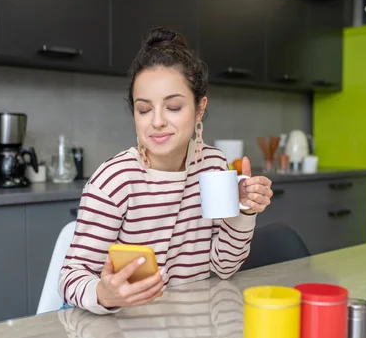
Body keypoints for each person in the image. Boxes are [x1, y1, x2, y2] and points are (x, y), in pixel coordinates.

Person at [59, 27, 273, 315]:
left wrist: (245, 211)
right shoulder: (115, 181)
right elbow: (70, 277)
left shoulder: (212, 167)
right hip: (128, 337)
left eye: (173, 107)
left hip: (191, 332)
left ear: (199, 109)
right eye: (144, 110)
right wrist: (104, 293)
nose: (157, 121)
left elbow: (223, 266)